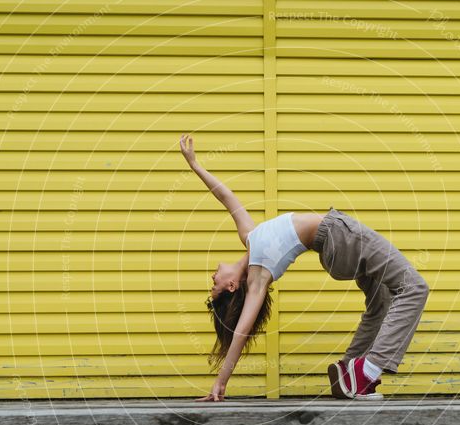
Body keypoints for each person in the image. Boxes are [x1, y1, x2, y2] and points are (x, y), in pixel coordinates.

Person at [180, 134, 430, 402]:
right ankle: (367, 371)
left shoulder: (251, 238)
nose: (212, 277)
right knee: (414, 287)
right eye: (215, 285)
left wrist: (195, 165)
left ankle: (349, 372)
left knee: (380, 301)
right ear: (232, 285)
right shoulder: (258, 274)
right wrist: (221, 382)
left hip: (335, 248)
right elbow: (240, 332)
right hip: (338, 236)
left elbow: (226, 197)